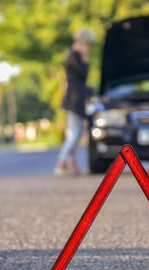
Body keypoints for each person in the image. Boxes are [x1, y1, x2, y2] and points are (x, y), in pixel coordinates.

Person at [54, 28, 96, 175]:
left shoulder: (74, 56)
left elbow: (81, 83)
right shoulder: (73, 56)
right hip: (74, 100)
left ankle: (72, 164)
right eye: (87, 45)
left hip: (77, 99)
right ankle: (61, 164)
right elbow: (82, 75)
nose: (88, 49)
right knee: (75, 133)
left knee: (76, 134)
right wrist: (85, 58)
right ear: (81, 43)